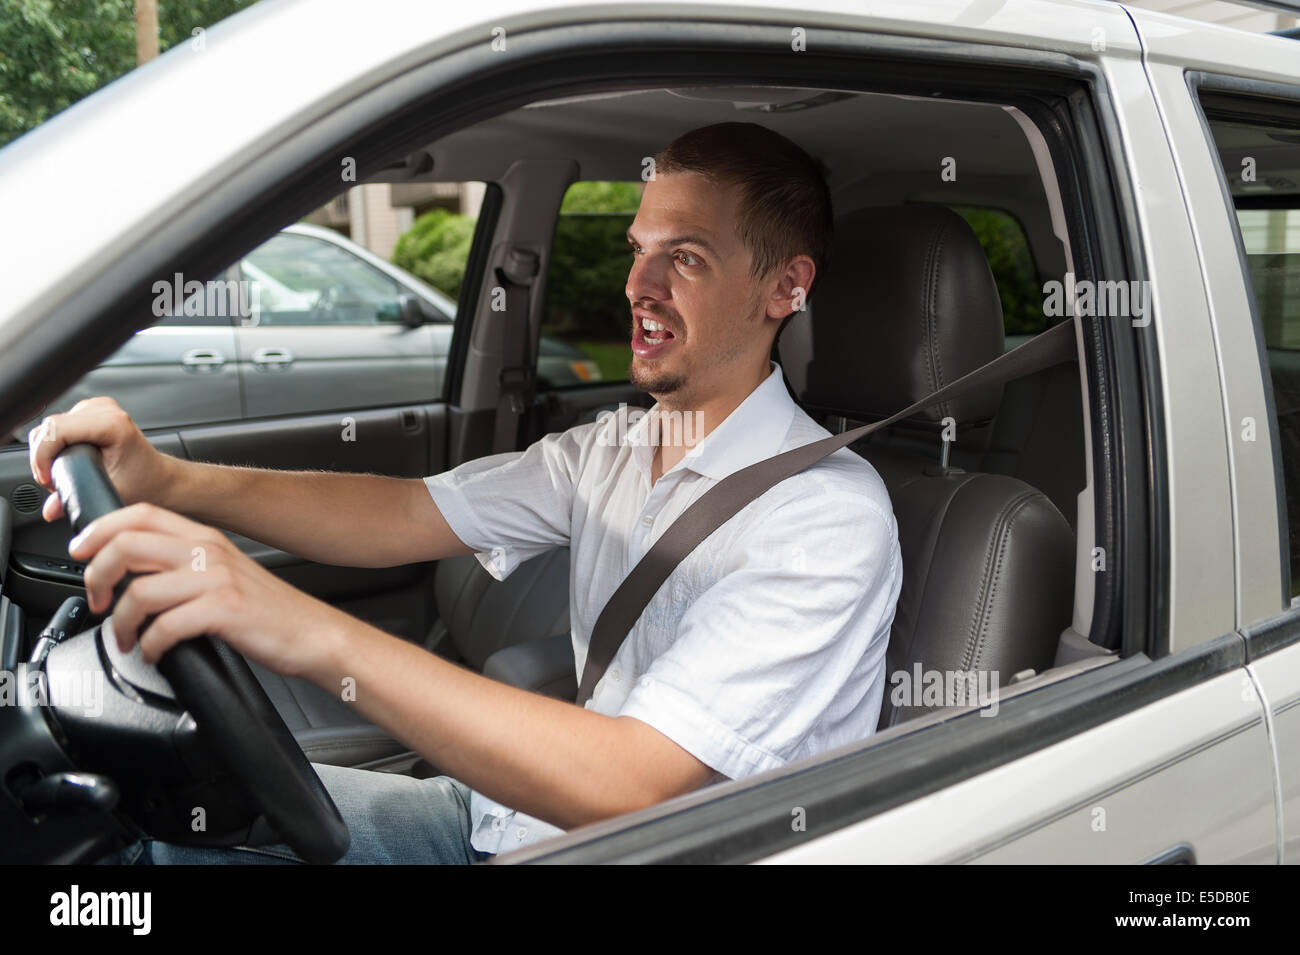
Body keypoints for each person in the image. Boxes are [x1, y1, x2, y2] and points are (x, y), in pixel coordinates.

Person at [31, 121, 902, 865]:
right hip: (509, 824)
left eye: (687, 258)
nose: (639, 286)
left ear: (786, 286)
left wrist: (294, 623)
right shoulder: (613, 449)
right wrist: (168, 479)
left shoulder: (825, 519)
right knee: (133, 822)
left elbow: (633, 785)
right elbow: (403, 512)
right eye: (639, 251)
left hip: (621, 841)